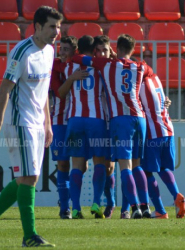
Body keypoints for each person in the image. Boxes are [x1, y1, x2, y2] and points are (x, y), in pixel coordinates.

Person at [0, 6, 63, 247]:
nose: (56, 31)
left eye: (58, 26)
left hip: (37, 123)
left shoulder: (50, 52)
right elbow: (5, 87)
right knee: (29, 177)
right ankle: (29, 236)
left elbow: (44, 90)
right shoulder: (22, 51)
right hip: (19, 122)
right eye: (52, 26)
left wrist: (47, 123)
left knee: (28, 178)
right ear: (37, 26)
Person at [71, 34, 153, 219]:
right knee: (138, 166)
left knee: (125, 167)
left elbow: (77, 58)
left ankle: (133, 208)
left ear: (115, 48)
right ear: (133, 49)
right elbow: (152, 75)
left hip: (120, 119)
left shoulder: (106, 65)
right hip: (139, 118)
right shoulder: (140, 66)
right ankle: (145, 205)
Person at [59, 35, 108, 219]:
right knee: (99, 163)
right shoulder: (101, 67)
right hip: (96, 120)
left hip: (75, 120)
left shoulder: (70, 67)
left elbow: (62, 93)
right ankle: (96, 202)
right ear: (94, 49)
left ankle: (77, 208)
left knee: (77, 166)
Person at [49, 35, 89, 219]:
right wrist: (72, 78)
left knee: (82, 166)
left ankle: (73, 202)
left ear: (74, 51)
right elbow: (59, 93)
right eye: (61, 48)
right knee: (63, 163)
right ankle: (65, 207)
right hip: (59, 121)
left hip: (78, 119)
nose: (62, 52)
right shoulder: (56, 66)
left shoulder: (80, 64)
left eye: (66, 49)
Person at [139, 74, 185, 219]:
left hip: (152, 133)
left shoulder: (137, 84)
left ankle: (160, 210)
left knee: (147, 172)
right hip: (168, 129)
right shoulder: (155, 79)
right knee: (163, 168)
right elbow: (164, 100)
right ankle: (176, 194)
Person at [92, 35, 116, 219]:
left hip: (114, 121)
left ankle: (112, 200)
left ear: (110, 51)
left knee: (110, 167)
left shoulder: (117, 67)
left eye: (104, 50)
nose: (101, 53)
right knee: (99, 164)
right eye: (98, 50)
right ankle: (100, 202)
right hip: (98, 121)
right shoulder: (91, 67)